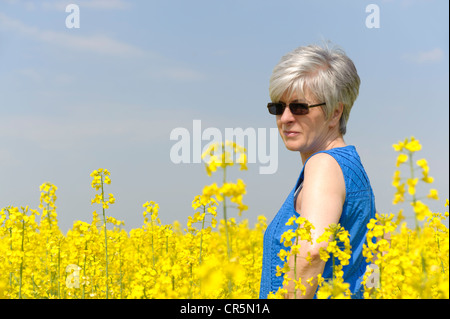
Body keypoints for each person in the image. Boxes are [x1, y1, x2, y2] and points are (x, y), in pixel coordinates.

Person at [259, 43, 376, 299]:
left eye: (299, 107)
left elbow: (312, 254)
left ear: (335, 113)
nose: (285, 118)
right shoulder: (350, 167)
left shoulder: (324, 165)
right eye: (278, 107)